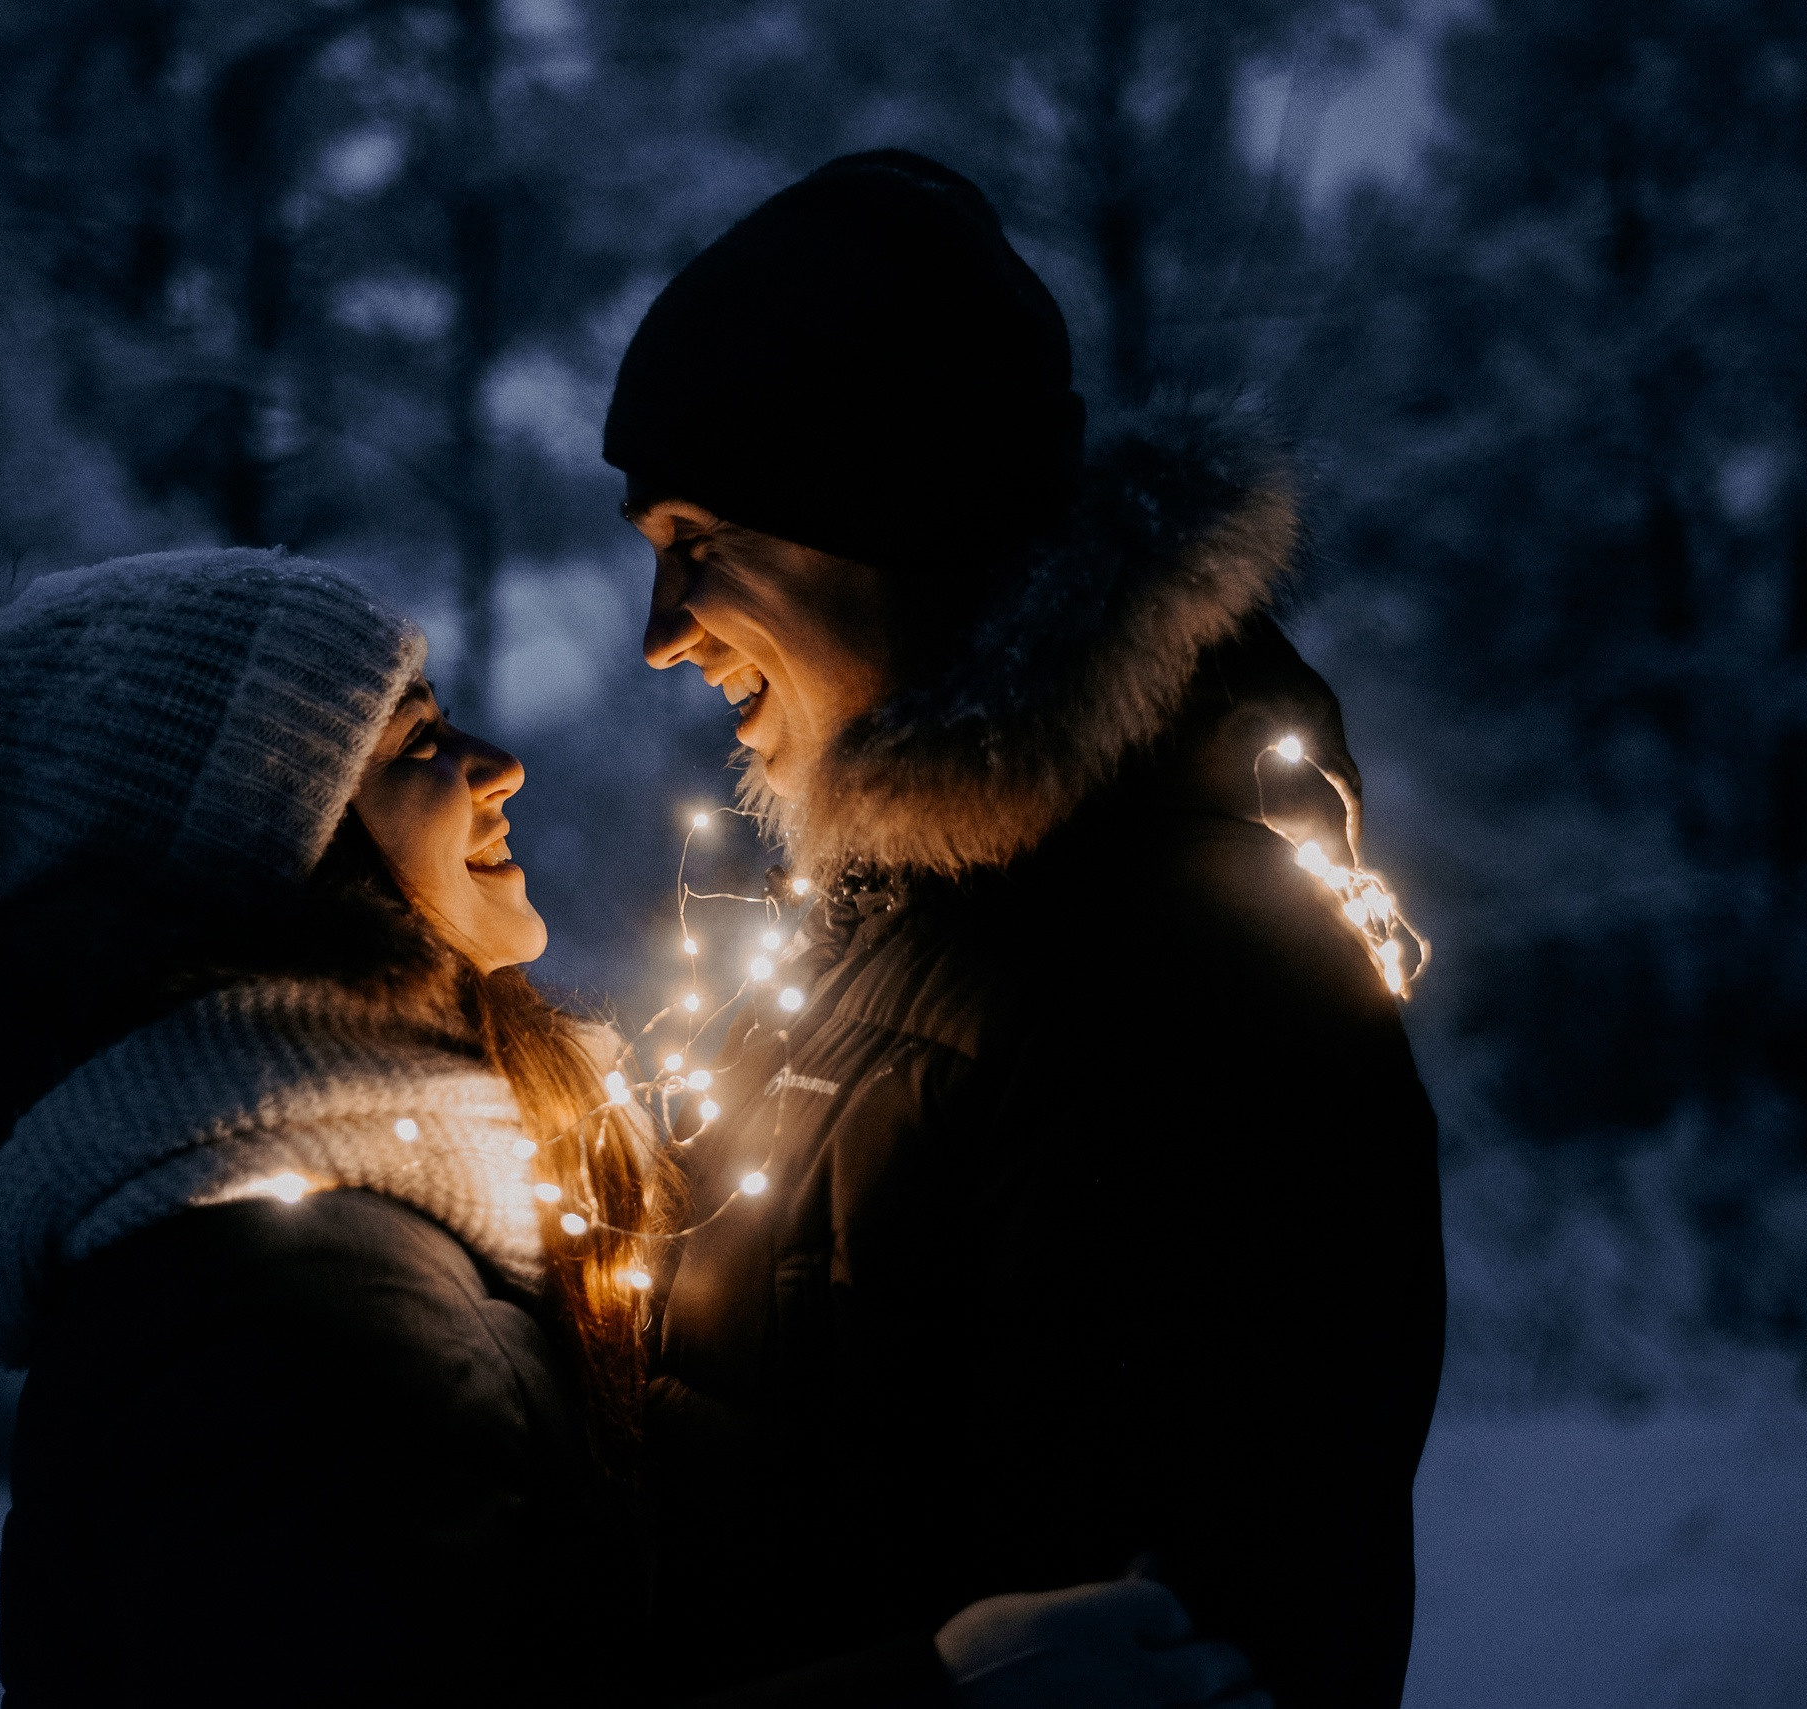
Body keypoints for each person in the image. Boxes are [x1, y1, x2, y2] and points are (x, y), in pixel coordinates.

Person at [0, 547, 1270, 1707]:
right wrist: (948, 1694)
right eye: (414, 741)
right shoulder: (275, 1306)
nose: (496, 762)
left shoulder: (356, 1228)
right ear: (269, 853)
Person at [605, 152, 1447, 1708]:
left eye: (696, 538)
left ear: (880, 516)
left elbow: (1165, 1634)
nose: (661, 634)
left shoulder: (1192, 985)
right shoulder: (896, 939)